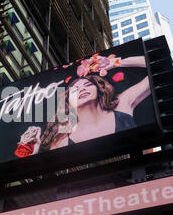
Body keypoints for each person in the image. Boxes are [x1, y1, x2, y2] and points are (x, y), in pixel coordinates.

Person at [15, 54, 151, 156]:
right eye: (75, 90)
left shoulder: (122, 105)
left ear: (99, 90)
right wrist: (35, 152)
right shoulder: (62, 141)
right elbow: (41, 168)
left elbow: (152, 63)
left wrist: (115, 62)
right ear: (68, 101)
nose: (82, 90)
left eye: (87, 85)